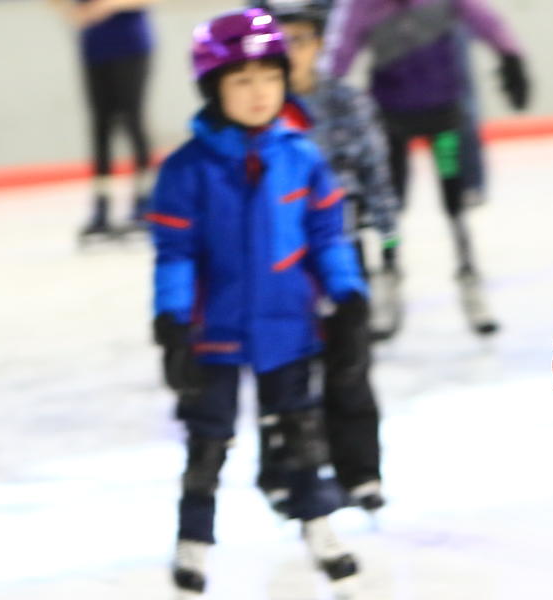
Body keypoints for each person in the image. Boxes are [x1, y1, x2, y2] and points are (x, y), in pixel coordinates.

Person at [147, 9, 366, 596]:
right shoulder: (186, 170)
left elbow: (327, 237)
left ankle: (318, 527)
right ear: (213, 88)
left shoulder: (302, 157)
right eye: (242, 81)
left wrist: (349, 298)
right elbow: (175, 253)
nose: (259, 92)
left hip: (287, 322)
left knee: (301, 430)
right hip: (214, 328)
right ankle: (193, 540)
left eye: (269, 77)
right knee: (208, 437)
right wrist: (172, 322)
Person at [252, 0, 392, 514]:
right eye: (282, 42)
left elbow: (375, 171)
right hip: (278, 257)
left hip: (341, 249)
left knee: (350, 359)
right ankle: (282, 470)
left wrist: (390, 243)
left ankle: (360, 470)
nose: (293, 52)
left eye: (302, 40)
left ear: (318, 44)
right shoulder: (257, 109)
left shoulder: (345, 102)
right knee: (282, 364)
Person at [322, 0, 529, 337]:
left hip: (443, 115)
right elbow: (339, 51)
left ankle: (469, 275)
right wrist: (322, 94)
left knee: (455, 204)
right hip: (391, 120)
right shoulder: (362, 4)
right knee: (390, 206)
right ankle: (389, 274)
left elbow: (483, 18)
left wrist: (510, 55)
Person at [49, 0, 158, 241]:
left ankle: (144, 200)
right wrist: (70, 12)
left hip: (130, 44)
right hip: (95, 48)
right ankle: (102, 205)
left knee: (133, 121)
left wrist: (107, 6)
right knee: (101, 127)